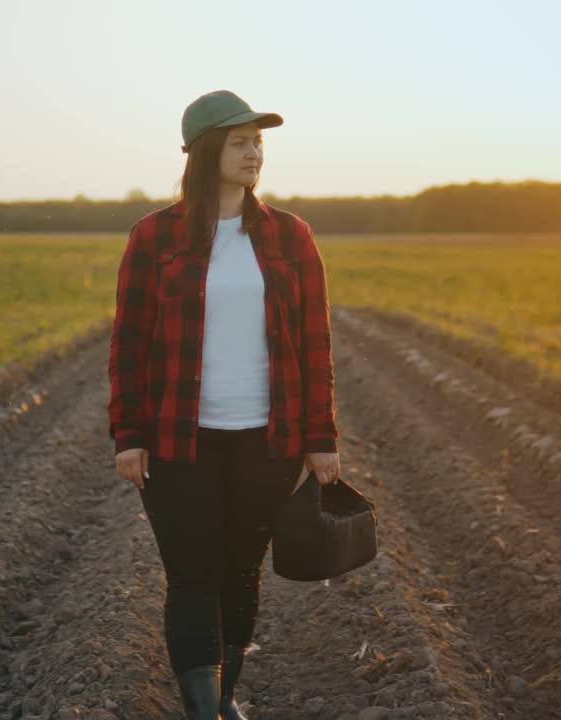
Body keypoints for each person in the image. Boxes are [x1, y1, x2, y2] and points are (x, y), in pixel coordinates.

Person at [107, 89, 340, 720]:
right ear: (207, 151)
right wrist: (128, 434)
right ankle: (203, 713)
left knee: (241, 570)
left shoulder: (290, 236)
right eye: (240, 142)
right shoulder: (155, 237)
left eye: (258, 142)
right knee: (191, 574)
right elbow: (128, 342)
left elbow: (314, 343)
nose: (254, 153)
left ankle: (225, 695)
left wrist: (321, 437)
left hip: (269, 440)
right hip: (180, 440)